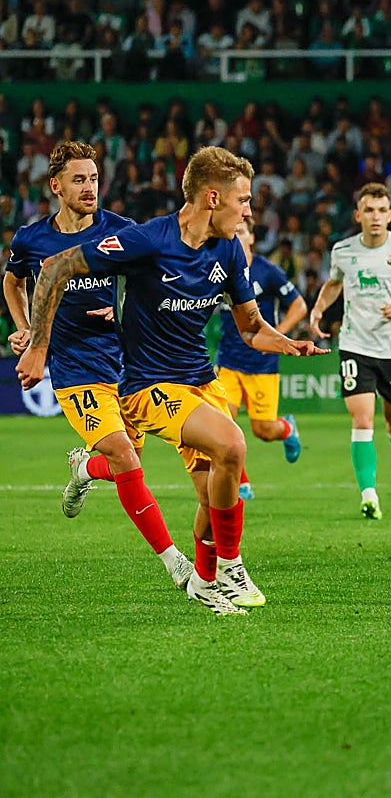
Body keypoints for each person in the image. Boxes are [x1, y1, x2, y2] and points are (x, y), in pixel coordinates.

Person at [16, 146, 326, 615]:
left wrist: (289, 342)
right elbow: (57, 268)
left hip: (200, 381)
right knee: (233, 445)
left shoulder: (227, 248)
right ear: (213, 198)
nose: (249, 211)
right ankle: (229, 566)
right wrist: (39, 345)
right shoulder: (148, 240)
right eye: (243, 201)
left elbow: (250, 327)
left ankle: (203, 580)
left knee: (211, 493)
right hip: (146, 385)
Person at [3, 140, 194, 590]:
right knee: (126, 457)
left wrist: (124, 310)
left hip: (127, 363)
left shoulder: (121, 230)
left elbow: (151, 282)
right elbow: (12, 283)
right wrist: (28, 329)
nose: (90, 188)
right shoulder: (32, 239)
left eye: (93, 178)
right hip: (74, 366)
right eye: (78, 180)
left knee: (127, 463)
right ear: (56, 186)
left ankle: (83, 469)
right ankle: (177, 565)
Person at [308, 183, 391, 520]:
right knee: (361, 419)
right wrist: (318, 310)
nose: (375, 217)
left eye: (381, 210)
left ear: (390, 215)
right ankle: (369, 493)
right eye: (369, 210)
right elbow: (334, 284)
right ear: (358, 215)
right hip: (355, 345)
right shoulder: (343, 250)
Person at [214, 216, 307, 500]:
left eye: (241, 232)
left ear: (252, 238)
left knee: (263, 430)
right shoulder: (218, 271)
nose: (236, 237)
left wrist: (278, 335)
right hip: (228, 360)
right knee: (221, 425)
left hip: (262, 364)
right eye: (232, 232)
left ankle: (287, 428)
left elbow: (299, 306)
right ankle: (241, 481)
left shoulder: (268, 272)